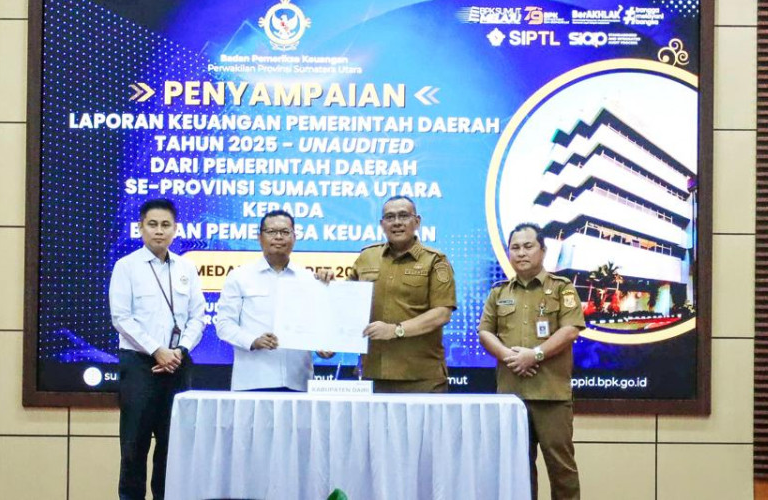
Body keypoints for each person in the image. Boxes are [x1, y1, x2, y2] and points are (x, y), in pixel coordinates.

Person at [108, 198, 205, 500]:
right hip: (139, 365)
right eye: (152, 224)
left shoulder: (187, 268)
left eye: (165, 225)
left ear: (175, 229)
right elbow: (121, 318)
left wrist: (180, 350)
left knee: (172, 446)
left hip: (177, 365)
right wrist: (156, 350)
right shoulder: (126, 267)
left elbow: (198, 317)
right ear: (141, 228)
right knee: (134, 447)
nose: (159, 231)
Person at [478, 222, 584, 500]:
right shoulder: (499, 292)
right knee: (518, 471)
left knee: (561, 470)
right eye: (515, 247)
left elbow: (570, 330)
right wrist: (510, 356)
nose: (521, 253)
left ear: (543, 250)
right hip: (511, 398)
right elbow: (485, 332)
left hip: (551, 396)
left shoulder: (562, 288)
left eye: (528, 246)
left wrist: (534, 355)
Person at [350, 196, 456, 393]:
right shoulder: (366, 257)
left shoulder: (435, 261)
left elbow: (442, 313)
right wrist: (326, 282)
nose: (397, 222)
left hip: (422, 378)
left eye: (403, 216)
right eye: (390, 217)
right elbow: (346, 304)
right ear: (382, 224)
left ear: (417, 221)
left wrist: (396, 330)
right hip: (373, 375)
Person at [216, 209, 330, 391]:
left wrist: (325, 345)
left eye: (285, 232)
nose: (278, 237)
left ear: (294, 237)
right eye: (271, 232)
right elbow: (224, 325)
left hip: (298, 381)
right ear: (259, 237)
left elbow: (320, 324)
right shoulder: (239, 276)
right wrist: (253, 340)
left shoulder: (309, 279)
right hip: (253, 380)